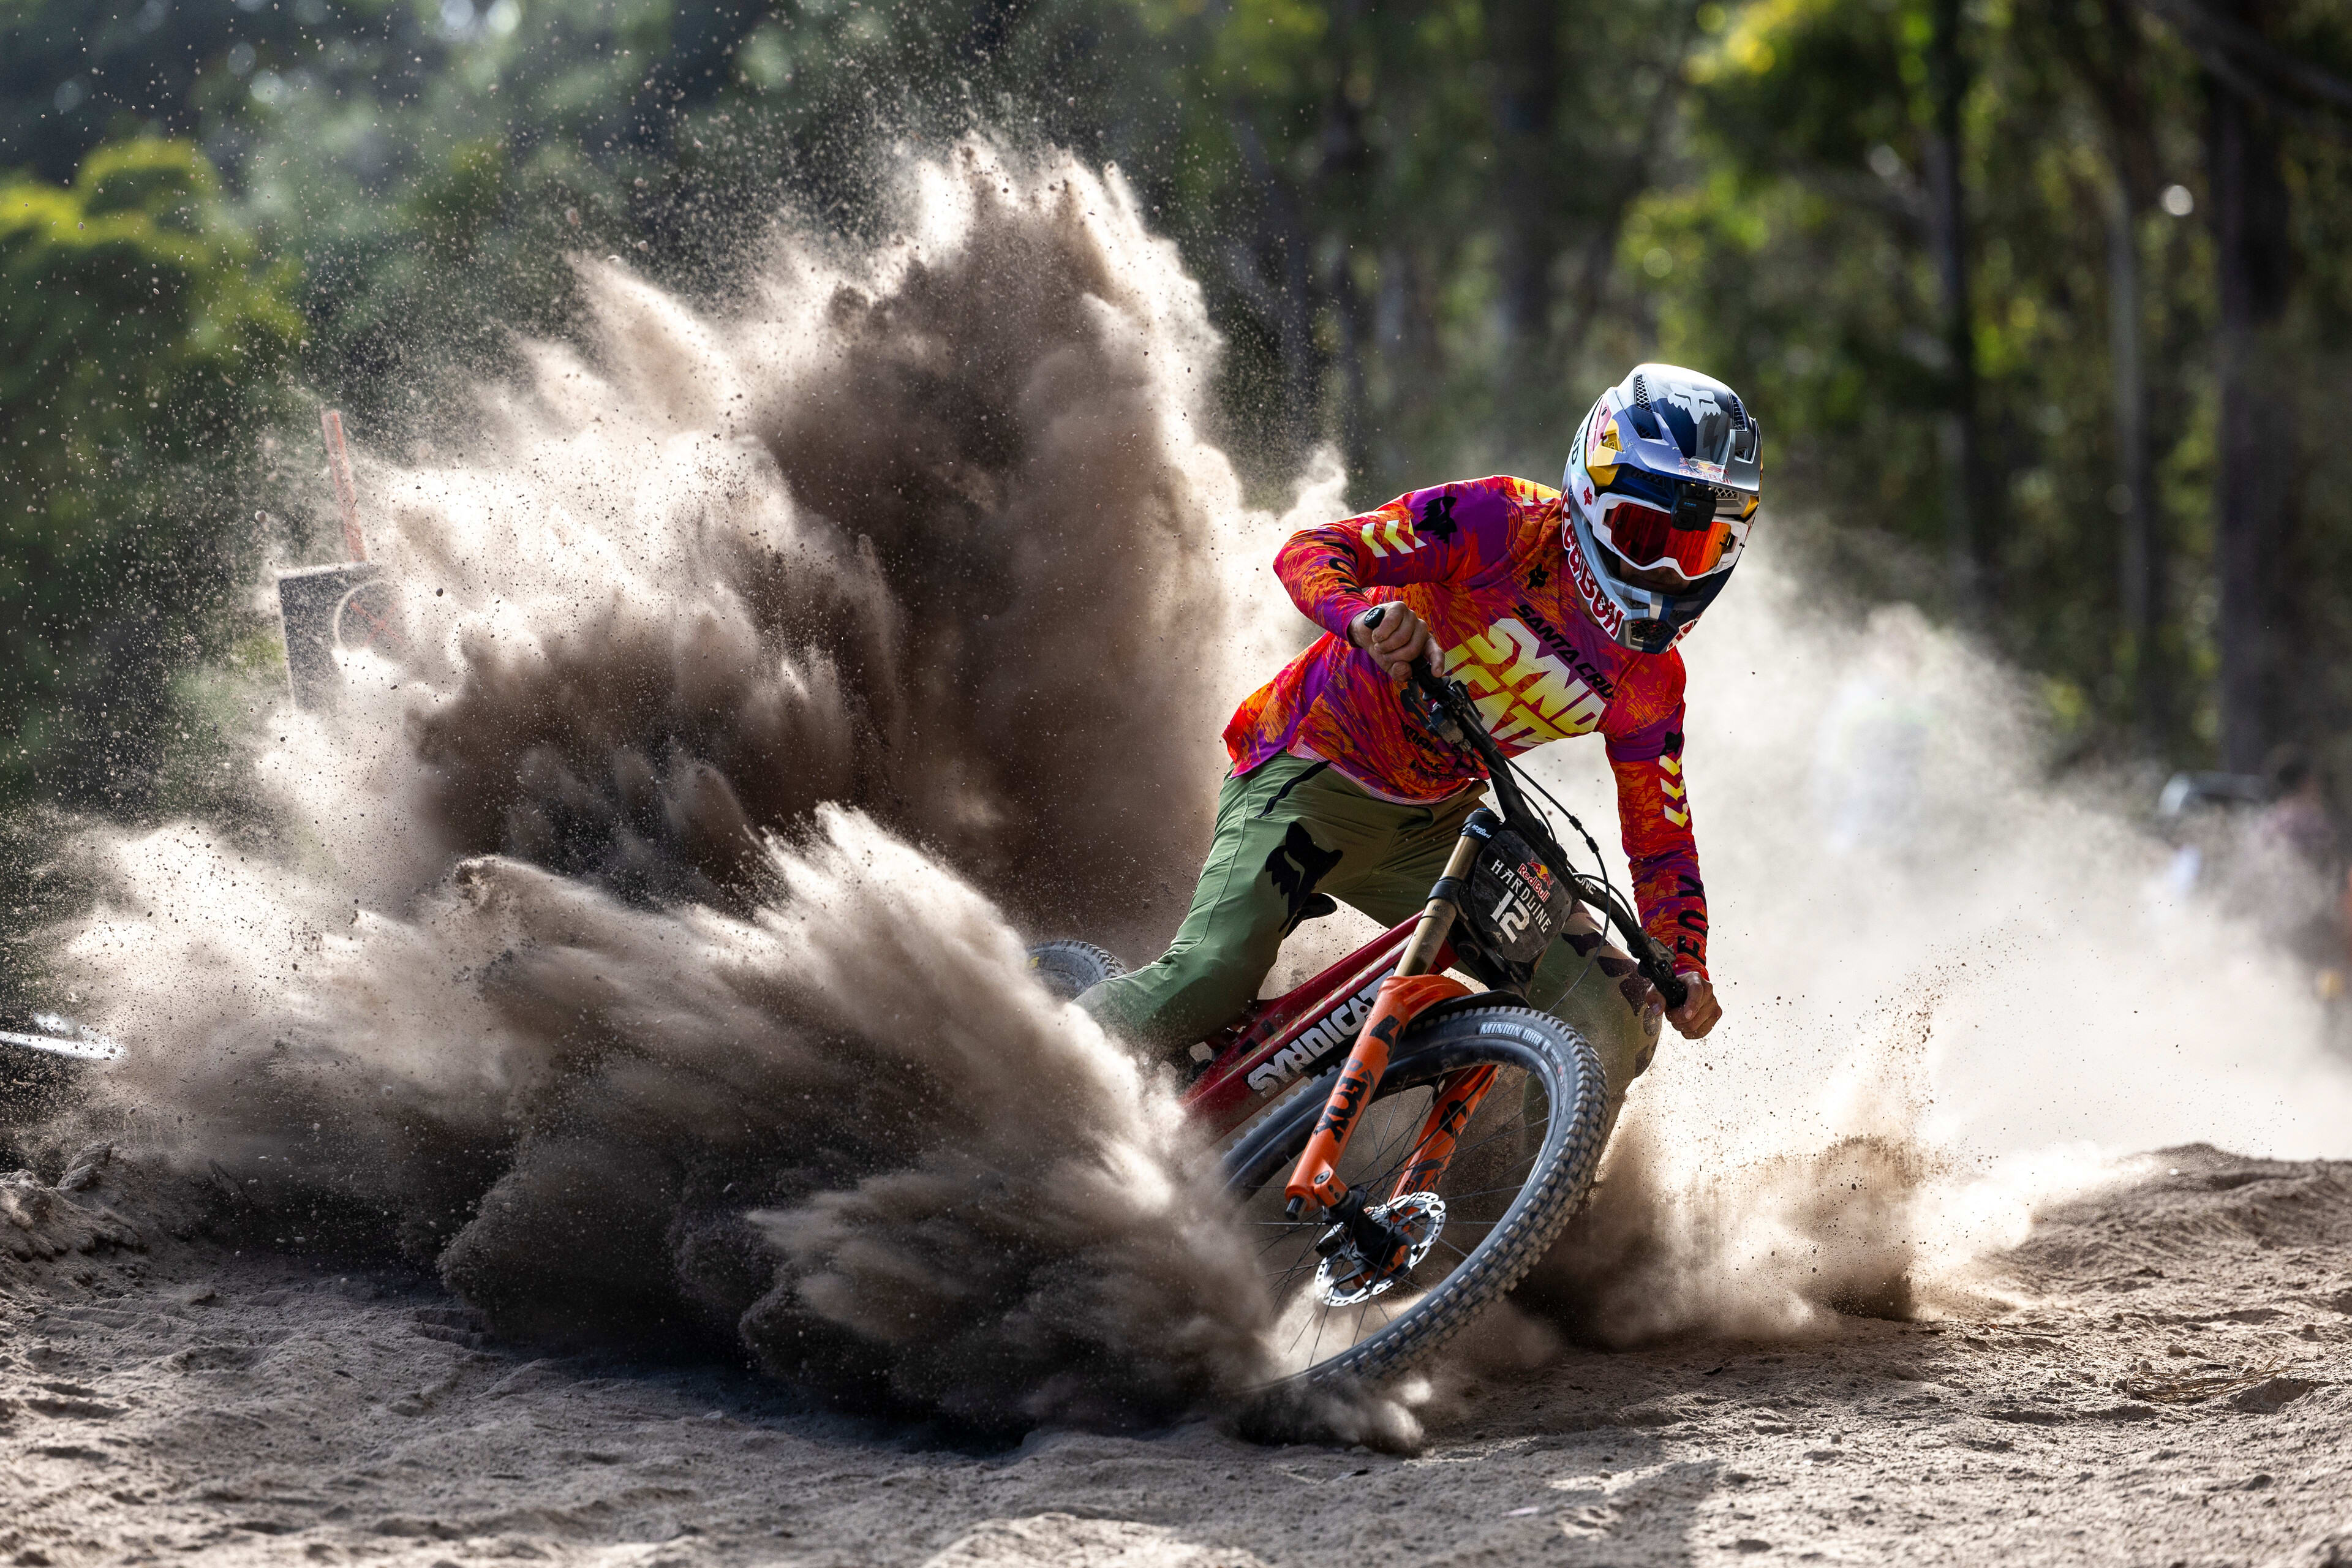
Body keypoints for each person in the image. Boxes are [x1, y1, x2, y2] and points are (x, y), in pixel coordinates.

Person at [1079, 364, 1753, 1112]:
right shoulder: (1498, 522)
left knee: (1616, 1021)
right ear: (1592, 492)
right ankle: (1022, 1064)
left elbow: (1660, 840)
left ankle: (1520, 1181)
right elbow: (1311, 550)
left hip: (1446, 832)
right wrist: (1364, 619)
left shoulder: (1653, 680)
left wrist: (1682, 958)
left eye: (1696, 550)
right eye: (1645, 533)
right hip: (1310, 768)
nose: (1667, 570)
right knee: (1208, 985)